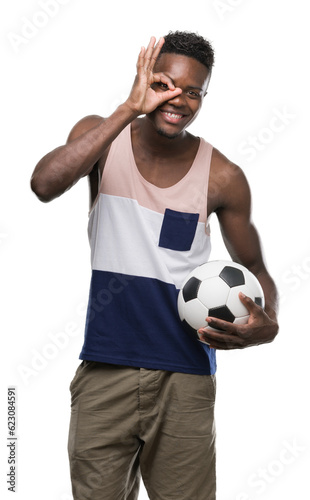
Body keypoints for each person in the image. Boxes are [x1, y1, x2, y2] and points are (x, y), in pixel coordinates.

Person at [30, 31, 279, 500]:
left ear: (204, 97)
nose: (178, 99)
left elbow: (256, 268)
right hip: (105, 368)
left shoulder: (223, 176)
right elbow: (44, 184)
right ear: (145, 78)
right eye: (165, 84)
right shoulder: (102, 136)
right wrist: (128, 108)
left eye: (193, 92)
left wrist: (270, 325)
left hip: (185, 375)